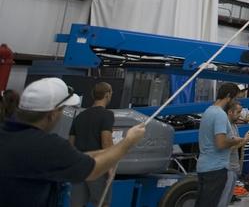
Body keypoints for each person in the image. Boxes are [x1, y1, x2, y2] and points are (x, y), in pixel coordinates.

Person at [0, 77, 146, 207]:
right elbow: (93, 168)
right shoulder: (47, 146)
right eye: (62, 109)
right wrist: (128, 142)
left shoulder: (8, 134)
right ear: (51, 115)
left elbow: (72, 149)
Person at [197, 84, 246, 207]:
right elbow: (221, 143)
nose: (234, 101)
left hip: (204, 166)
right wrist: (235, 140)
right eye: (234, 98)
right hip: (216, 168)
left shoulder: (208, 111)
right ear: (229, 96)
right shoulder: (220, 114)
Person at [69, 82, 115, 207]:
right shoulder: (107, 115)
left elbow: (71, 143)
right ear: (107, 94)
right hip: (97, 166)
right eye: (111, 93)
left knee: (77, 204)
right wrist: (111, 167)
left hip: (79, 166)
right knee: (101, 203)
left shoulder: (79, 116)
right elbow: (106, 141)